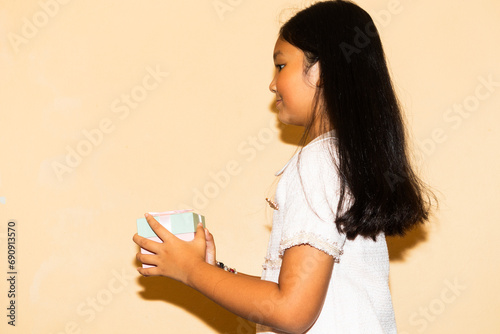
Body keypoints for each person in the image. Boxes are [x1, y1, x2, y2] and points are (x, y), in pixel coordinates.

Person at [132, 1, 435, 333]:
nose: (273, 84)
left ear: (320, 71)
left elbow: (291, 311)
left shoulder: (318, 164)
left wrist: (192, 271)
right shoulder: (346, 163)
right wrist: (212, 270)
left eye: (280, 65)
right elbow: (292, 298)